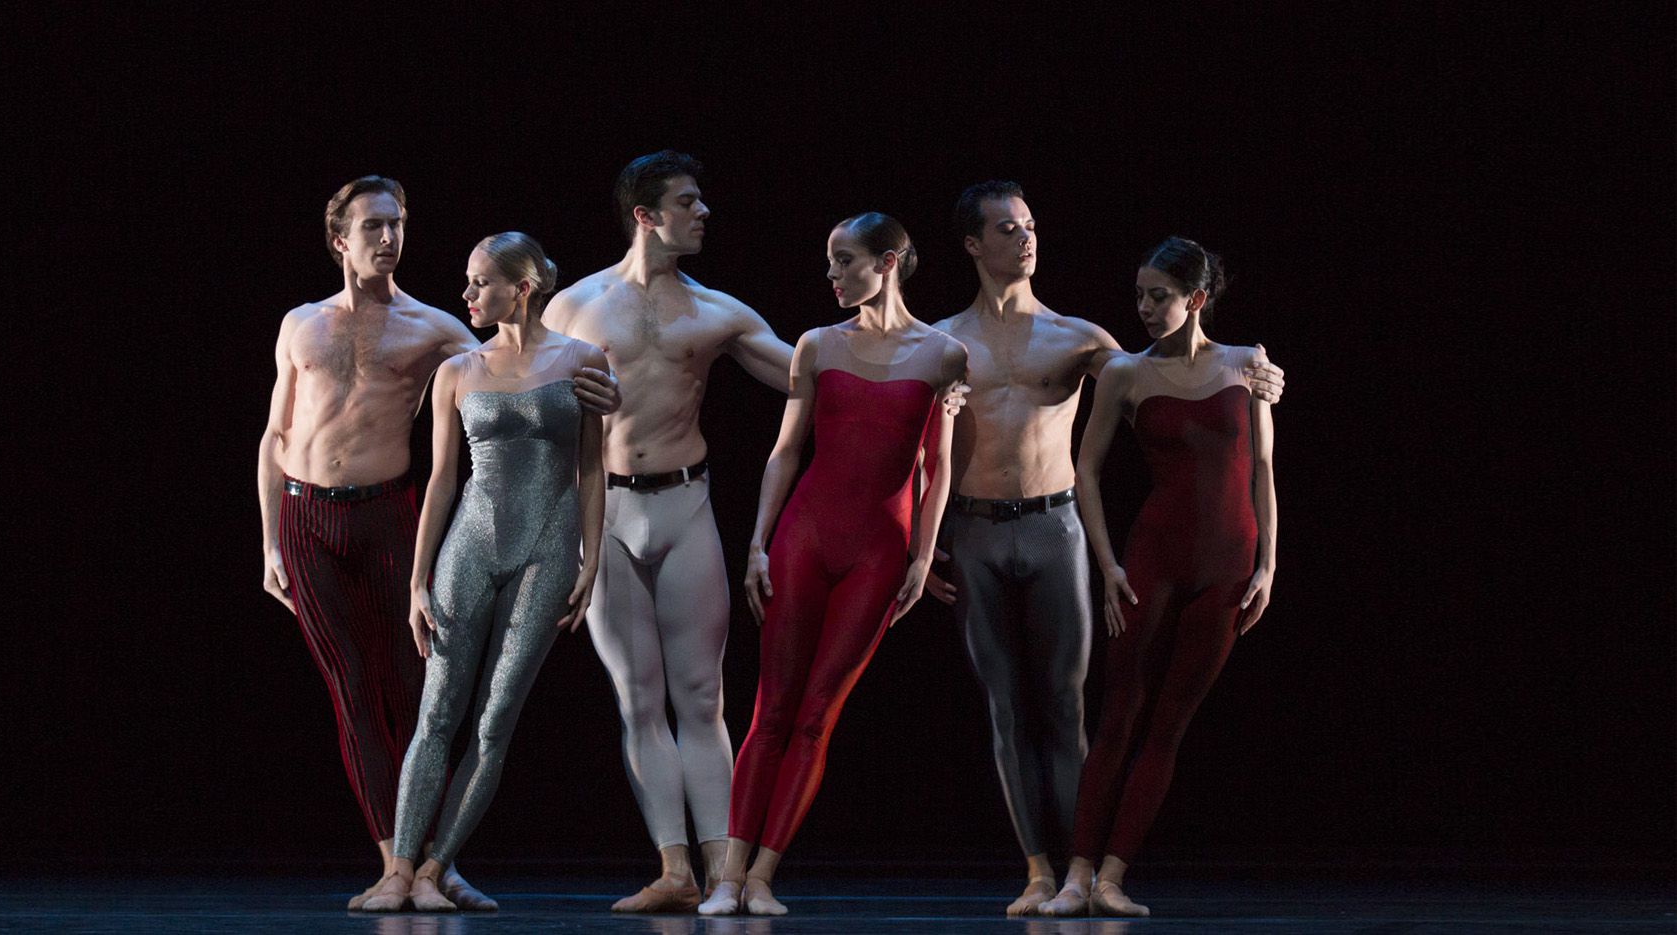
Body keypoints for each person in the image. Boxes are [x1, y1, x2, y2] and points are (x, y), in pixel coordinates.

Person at [258, 180, 617, 911]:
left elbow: (551, 406)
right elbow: (276, 435)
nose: (389, 237)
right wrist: (269, 541)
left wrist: (608, 405)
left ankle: (431, 864)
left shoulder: (441, 333)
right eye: (373, 226)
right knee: (364, 692)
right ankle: (399, 863)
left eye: (396, 224)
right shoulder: (302, 325)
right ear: (340, 239)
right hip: (307, 516)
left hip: (396, 512)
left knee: (428, 693)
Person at [926, 182, 1284, 915]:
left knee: (1069, 703)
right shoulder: (942, 341)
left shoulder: (1081, 339)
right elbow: (904, 442)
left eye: (1030, 224)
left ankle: (1082, 873)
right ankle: (1040, 872)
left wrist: (1262, 382)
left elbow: (1163, 378)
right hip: (975, 525)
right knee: (1005, 707)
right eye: (1007, 228)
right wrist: (918, 541)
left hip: (1054, 524)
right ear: (972, 244)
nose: (1026, 237)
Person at [540, 150, 794, 913]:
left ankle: (724, 872)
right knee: (638, 697)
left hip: (684, 506)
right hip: (608, 513)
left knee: (700, 693)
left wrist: (925, 377)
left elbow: (810, 376)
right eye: (688, 201)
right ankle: (674, 869)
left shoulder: (717, 310)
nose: (703, 212)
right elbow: (513, 391)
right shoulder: (574, 306)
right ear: (645, 215)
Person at [703, 213, 967, 917]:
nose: (832, 274)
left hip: (877, 553)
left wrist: (920, 558)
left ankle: (762, 878)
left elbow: (938, 468)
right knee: (771, 707)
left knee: (818, 714)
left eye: (845, 260)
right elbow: (786, 450)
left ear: (887, 262)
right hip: (806, 537)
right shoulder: (817, 345)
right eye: (830, 261)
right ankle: (727, 877)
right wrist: (757, 543)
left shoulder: (943, 354)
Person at [362, 233, 608, 912]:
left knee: (495, 719)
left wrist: (591, 556)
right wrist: (417, 580)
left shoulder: (582, 360)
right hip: (470, 544)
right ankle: (397, 871)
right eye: (468, 281)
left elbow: (591, 469)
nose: (467, 293)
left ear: (521, 288)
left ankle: (434, 870)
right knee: (437, 710)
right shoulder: (458, 370)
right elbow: (442, 479)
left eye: (480, 282)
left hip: (547, 549)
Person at [1043, 236, 1278, 918]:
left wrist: (1268, 564)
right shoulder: (1124, 372)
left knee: (1169, 724)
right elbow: (1085, 471)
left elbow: (1263, 468)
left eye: (1159, 296)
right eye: (1140, 295)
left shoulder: (1246, 364)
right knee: (1118, 713)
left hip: (1229, 565)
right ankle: (1075, 875)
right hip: (1153, 559)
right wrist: (1108, 564)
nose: (1144, 308)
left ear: (1196, 299)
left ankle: (1113, 877)